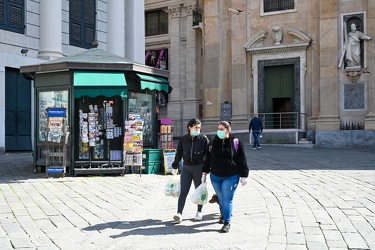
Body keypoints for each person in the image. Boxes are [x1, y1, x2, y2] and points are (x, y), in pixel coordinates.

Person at [202, 121, 249, 233]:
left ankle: (227, 222)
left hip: (231, 175)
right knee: (221, 197)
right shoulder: (213, 143)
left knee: (227, 198)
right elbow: (208, 159)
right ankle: (223, 215)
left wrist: (244, 175)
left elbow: (242, 159)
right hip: (215, 175)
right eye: (218, 129)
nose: (219, 131)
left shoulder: (236, 142)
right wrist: (204, 173)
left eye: (222, 129)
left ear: (228, 130)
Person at [171, 118, 210, 223]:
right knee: (183, 191)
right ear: (189, 127)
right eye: (196, 127)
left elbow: (208, 156)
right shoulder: (183, 140)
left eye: (199, 128)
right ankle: (179, 213)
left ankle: (199, 212)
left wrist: (206, 171)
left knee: (199, 190)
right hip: (186, 168)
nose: (198, 130)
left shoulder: (204, 139)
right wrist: (175, 166)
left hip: (199, 168)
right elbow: (178, 154)